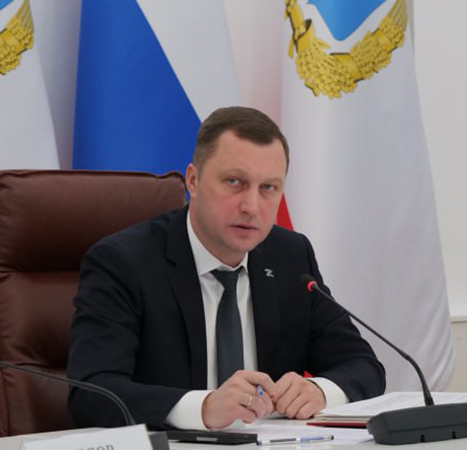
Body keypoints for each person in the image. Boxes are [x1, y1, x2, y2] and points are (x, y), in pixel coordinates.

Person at [67, 106, 385, 430]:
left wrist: (319, 391)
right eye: (234, 182)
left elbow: (363, 366)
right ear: (193, 181)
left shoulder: (290, 257)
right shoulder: (124, 263)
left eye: (268, 188)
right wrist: (203, 408)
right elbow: (92, 395)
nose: (251, 207)